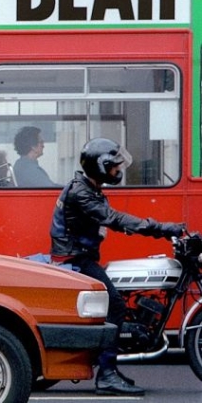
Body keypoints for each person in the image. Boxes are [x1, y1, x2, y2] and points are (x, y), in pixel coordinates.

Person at [49, 138, 184, 396]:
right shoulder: (82, 193)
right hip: (75, 260)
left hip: (80, 255)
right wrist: (161, 228)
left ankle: (111, 367)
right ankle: (107, 375)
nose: (118, 171)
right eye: (114, 166)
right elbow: (114, 219)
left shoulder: (88, 187)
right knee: (116, 306)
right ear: (101, 166)